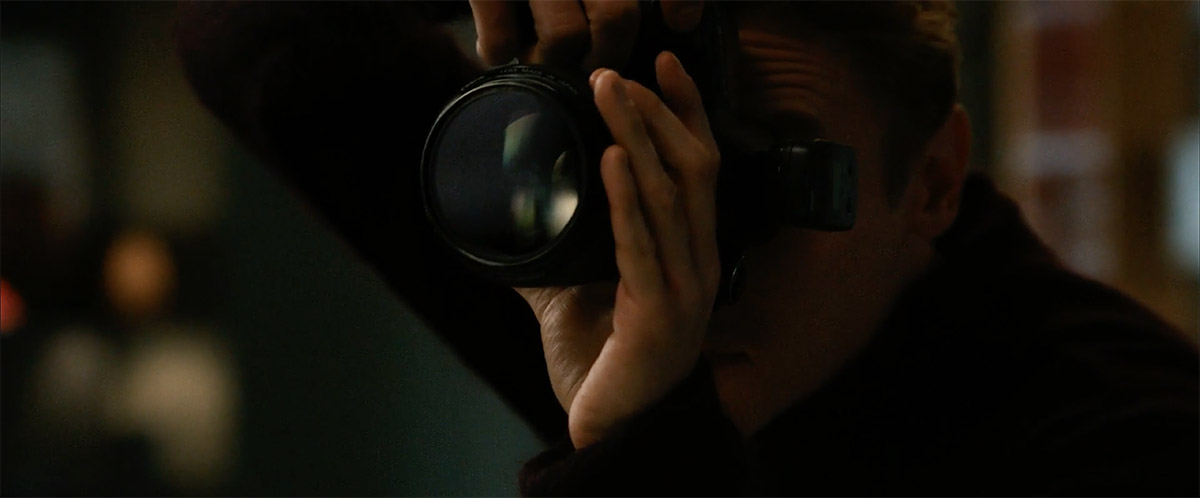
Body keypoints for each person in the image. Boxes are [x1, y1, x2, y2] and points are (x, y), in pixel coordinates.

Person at [173, 1, 1199, 495]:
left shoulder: (1130, 440)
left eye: (755, 180)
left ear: (930, 179)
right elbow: (254, 33)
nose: (688, 248)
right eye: (655, 153)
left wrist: (638, 459)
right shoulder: (611, 253)